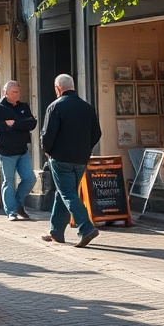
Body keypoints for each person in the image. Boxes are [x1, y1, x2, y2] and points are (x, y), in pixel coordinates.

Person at [40, 74, 102, 248]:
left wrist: (49, 152)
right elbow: (96, 133)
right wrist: (85, 148)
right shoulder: (87, 107)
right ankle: (56, 231)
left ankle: (86, 227)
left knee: (67, 194)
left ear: (58, 88)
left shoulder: (55, 107)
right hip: (81, 158)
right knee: (65, 193)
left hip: (61, 158)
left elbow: (47, 136)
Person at [0, 80, 38, 221]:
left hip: (22, 149)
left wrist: (14, 123)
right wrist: (11, 124)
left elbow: (32, 123)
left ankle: (18, 204)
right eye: (14, 92)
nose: (17, 94)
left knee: (30, 179)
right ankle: (11, 211)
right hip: (6, 151)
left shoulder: (23, 106)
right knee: (9, 181)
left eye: (18, 91)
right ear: (5, 93)